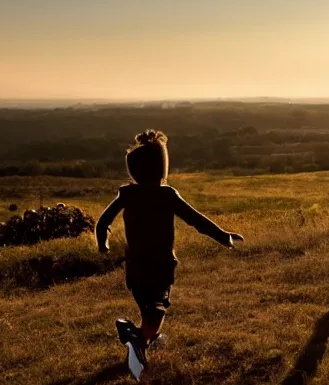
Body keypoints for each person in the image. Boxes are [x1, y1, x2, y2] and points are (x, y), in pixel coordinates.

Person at [96, 130, 244, 371]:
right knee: (157, 309)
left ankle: (144, 338)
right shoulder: (166, 195)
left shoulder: (127, 194)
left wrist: (103, 244)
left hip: (135, 267)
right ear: (161, 167)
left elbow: (103, 221)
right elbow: (197, 220)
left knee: (149, 308)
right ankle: (136, 338)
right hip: (161, 266)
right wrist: (223, 236)